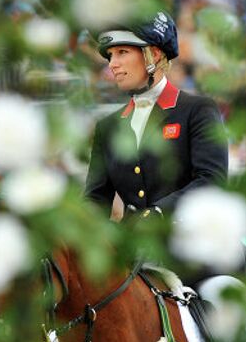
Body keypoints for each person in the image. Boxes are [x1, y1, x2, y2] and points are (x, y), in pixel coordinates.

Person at [85, 11, 228, 219]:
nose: (112, 64)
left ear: (155, 54)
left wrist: (160, 212)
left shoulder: (198, 110)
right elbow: (96, 199)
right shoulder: (108, 126)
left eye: (122, 52)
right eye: (110, 55)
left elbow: (212, 180)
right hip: (133, 245)